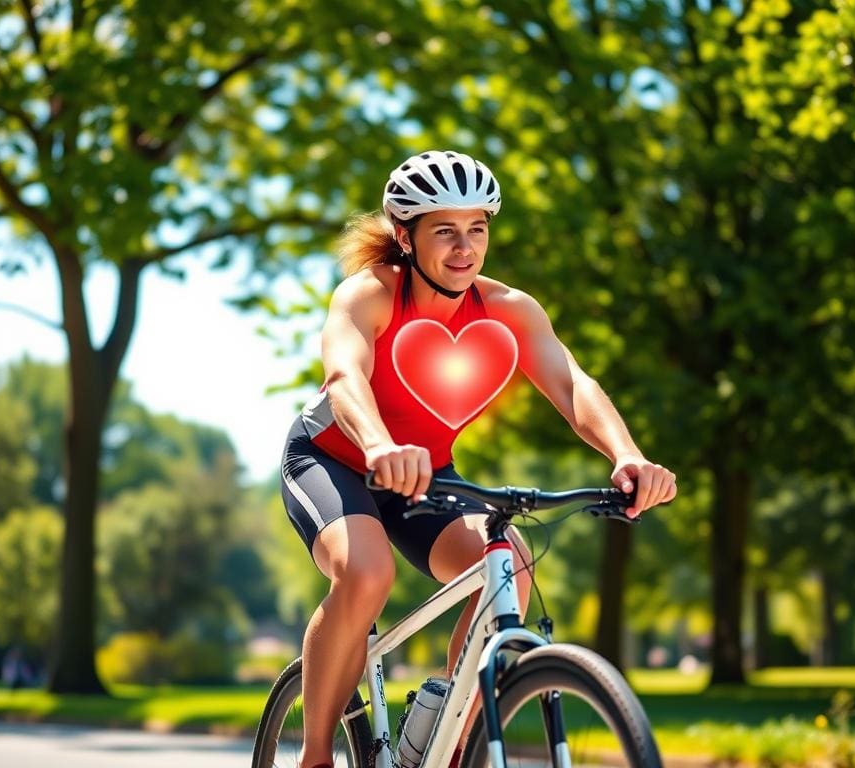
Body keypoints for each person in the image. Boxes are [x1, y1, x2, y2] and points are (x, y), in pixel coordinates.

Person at [280, 150, 677, 768]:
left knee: (511, 564)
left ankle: (442, 730)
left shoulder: (509, 310)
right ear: (404, 236)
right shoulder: (368, 295)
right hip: (333, 459)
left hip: (424, 474)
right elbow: (343, 377)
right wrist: (380, 444)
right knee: (366, 574)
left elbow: (571, 383)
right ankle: (315, 758)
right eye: (445, 230)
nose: (465, 247)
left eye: (478, 228)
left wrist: (628, 455)